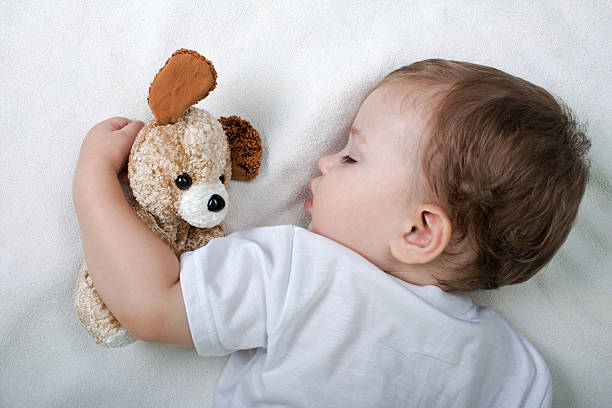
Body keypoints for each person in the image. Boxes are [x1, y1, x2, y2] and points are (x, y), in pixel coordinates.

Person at [73, 59, 591, 407]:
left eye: (351, 155)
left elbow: (151, 303)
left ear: (418, 231)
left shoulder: (300, 271)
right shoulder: (512, 370)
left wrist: (94, 180)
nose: (321, 162)